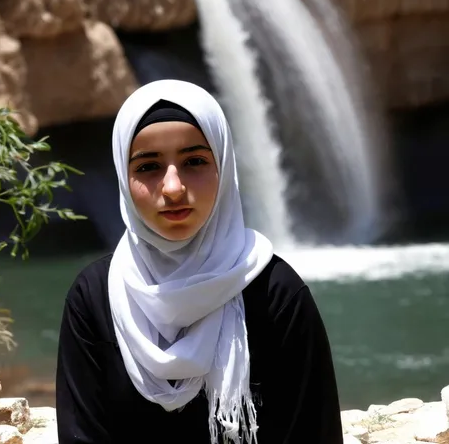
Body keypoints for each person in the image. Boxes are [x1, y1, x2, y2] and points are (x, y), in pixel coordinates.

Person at [55, 80, 343, 444]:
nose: (173, 187)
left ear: (224, 166)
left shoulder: (276, 293)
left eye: (194, 161)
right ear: (124, 179)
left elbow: (313, 433)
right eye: (148, 167)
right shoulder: (95, 298)